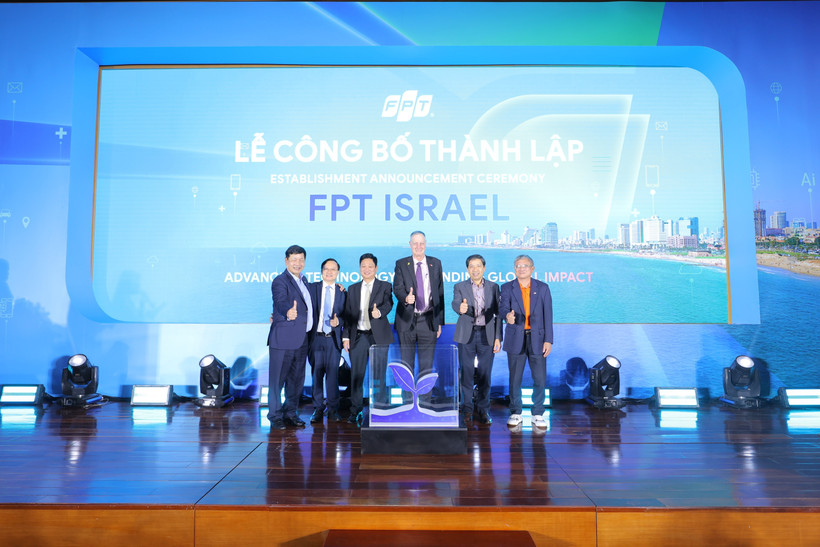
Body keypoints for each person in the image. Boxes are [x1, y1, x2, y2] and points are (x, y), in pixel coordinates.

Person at [499, 254, 553, 430]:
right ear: (514, 269)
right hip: (516, 337)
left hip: (538, 338)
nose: (521, 268)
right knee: (515, 378)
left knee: (540, 378)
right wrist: (507, 316)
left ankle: (538, 413)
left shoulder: (543, 288)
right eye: (517, 266)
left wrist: (548, 340)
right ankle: (516, 412)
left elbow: (548, 315)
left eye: (525, 265)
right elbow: (502, 310)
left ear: (532, 269)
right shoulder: (507, 287)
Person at [342, 253, 394, 425]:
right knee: (356, 376)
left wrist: (379, 312)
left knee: (379, 375)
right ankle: (355, 410)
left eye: (370, 266)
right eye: (363, 266)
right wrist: (345, 337)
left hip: (378, 336)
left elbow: (388, 303)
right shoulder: (353, 289)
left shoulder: (385, 286)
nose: (366, 269)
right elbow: (348, 315)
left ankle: (379, 408)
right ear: (360, 268)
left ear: (376, 268)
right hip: (358, 337)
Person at [452, 254, 503, 425]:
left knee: (485, 374)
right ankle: (467, 410)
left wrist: (498, 337)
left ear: (484, 268)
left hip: (487, 335)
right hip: (467, 334)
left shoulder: (494, 287)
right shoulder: (459, 286)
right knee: (466, 373)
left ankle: (483, 410)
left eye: (478, 266)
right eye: (471, 266)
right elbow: (455, 303)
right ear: (467, 269)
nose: (475, 269)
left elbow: (498, 315)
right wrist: (461, 308)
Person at [393, 231, 445, 398]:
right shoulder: (401, 264)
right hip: (407, 320)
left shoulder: (435, 263)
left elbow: (439, 293)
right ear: (410, 245)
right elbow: (398, 288)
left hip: (428, 320)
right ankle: (408, 402)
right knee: (406, 364)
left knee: (426, 365)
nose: (418, 246)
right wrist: (406, 298)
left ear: (426, 244)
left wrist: (439, 322)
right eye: (415, 243)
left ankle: (425, 402)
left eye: (421, 243)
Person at [267, 245, 313, 430]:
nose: (298, 263)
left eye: (301, 259)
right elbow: (280, 301)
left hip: (302, 339)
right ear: (286, 261)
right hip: (283, 339)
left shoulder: (305, 281)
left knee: (296, 380)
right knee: (277, 380)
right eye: (294, 260)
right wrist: (288, 311)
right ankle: (275, 415)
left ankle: (290, 413)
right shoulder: (280, 281)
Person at [307, 258, 346, 424]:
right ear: (322, 271)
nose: (329, 272)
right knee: (316, 375)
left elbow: (347, 315)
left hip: (333, 340)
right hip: (315, 338)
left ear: (337, 272)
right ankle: (317, 408)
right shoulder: (311, 288)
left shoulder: (343, 292)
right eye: (326, 269)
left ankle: (333, 409)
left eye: (333, 269)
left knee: (333, 376)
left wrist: (339, 322)